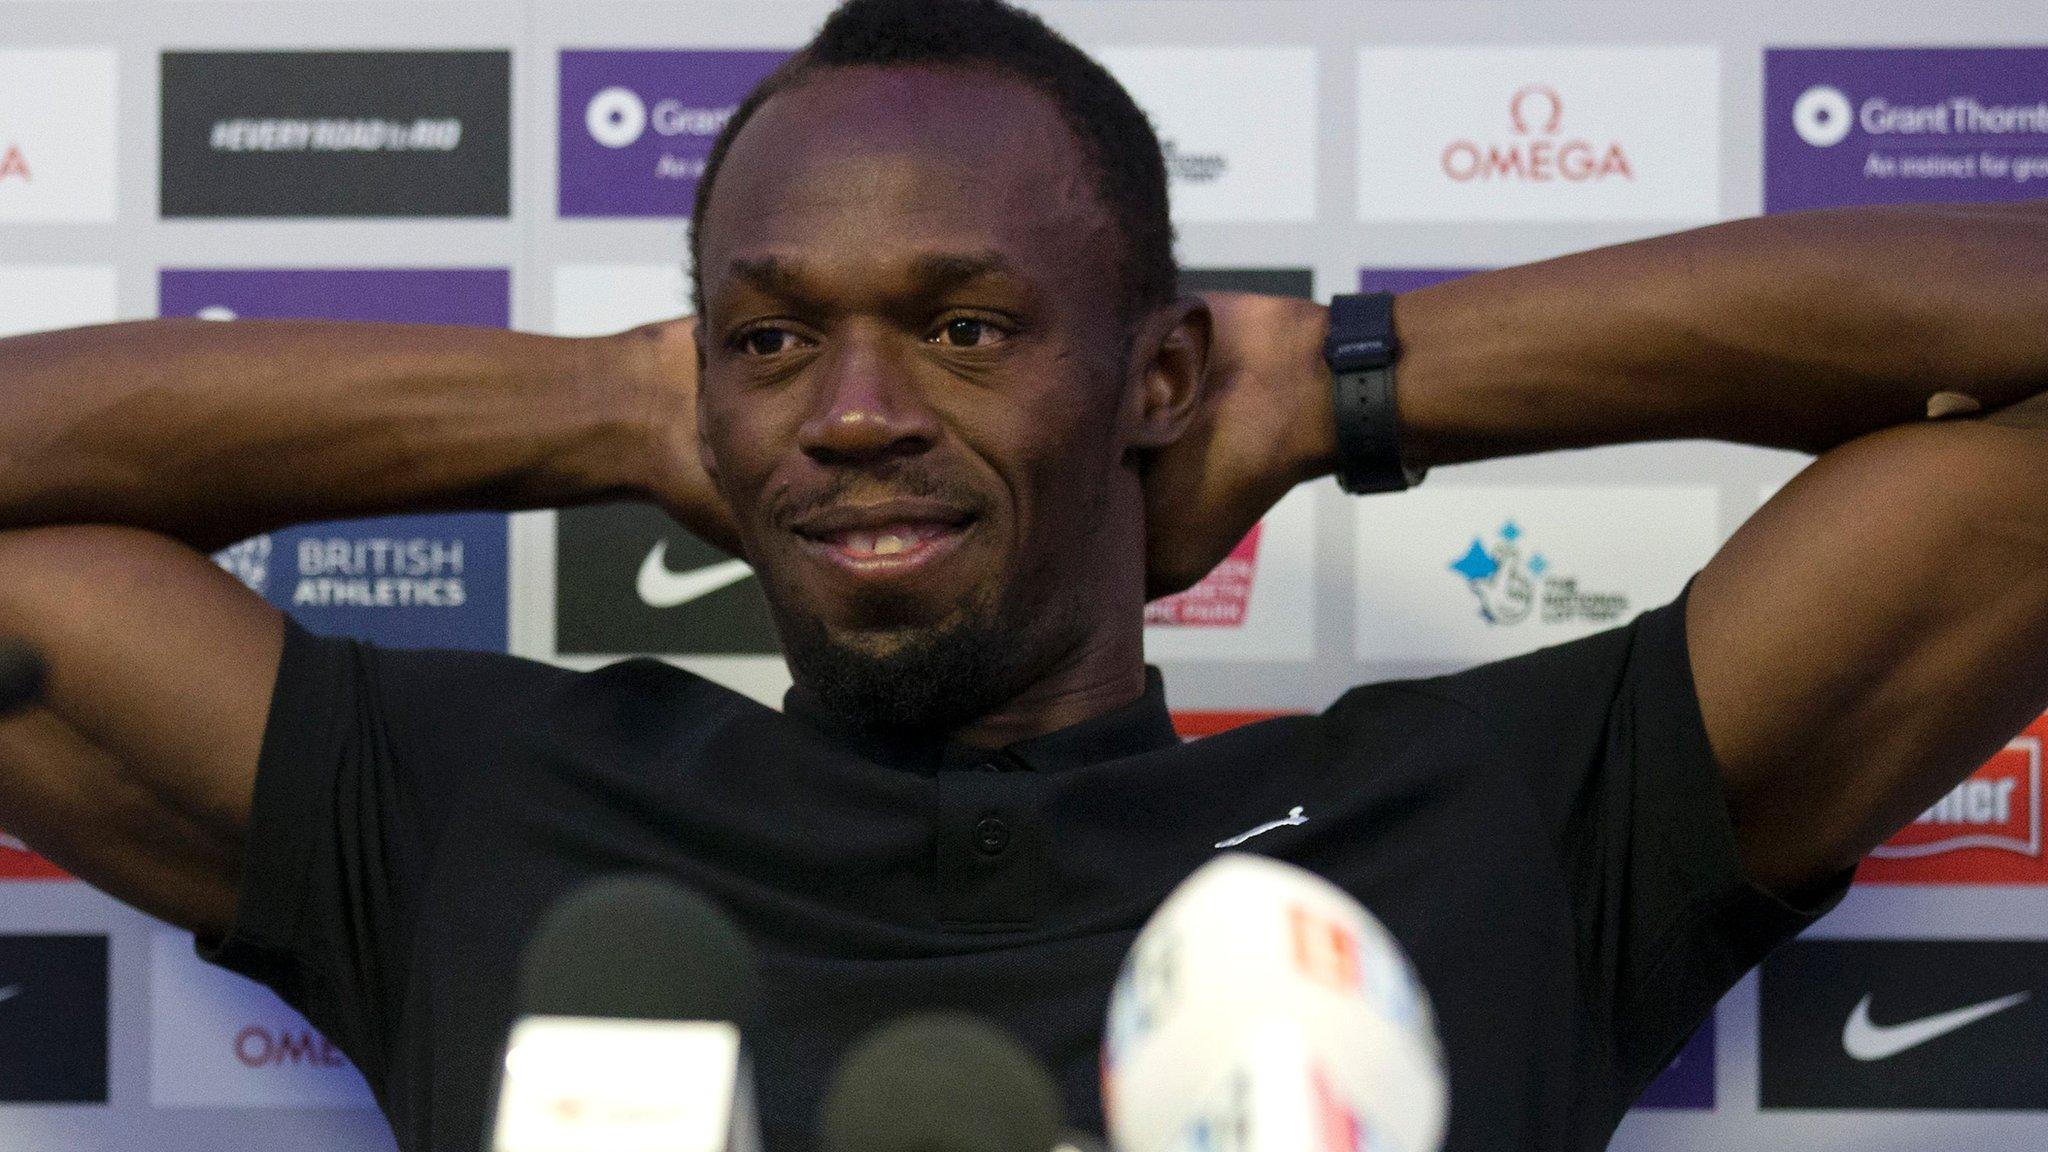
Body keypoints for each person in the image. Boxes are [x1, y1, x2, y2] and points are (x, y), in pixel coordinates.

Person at [1, 0, 2044, 1149]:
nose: (860, 410)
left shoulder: (1502, 820)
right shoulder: (471, 811)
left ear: (1155, 369)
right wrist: (615, 410)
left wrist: (1336, 385)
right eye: (772, 337)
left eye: (968, 329)